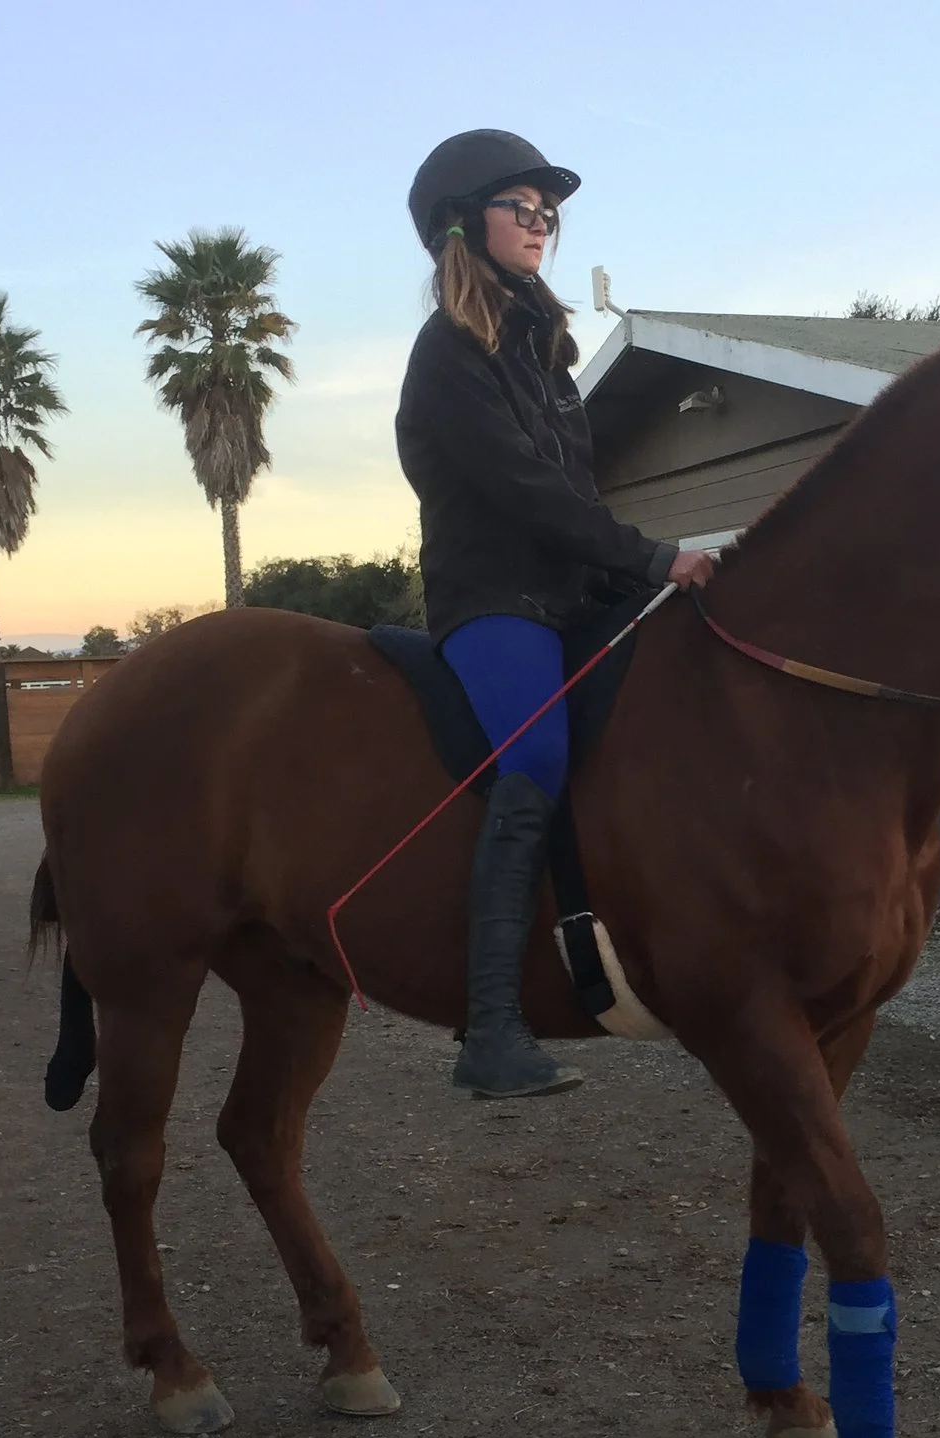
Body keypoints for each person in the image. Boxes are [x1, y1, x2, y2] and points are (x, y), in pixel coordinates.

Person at [397, 129, 715, 1099]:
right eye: (520, 209)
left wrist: (633, 580)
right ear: (463, 224)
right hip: (493, 597)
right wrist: (651, 556)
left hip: (572, 590)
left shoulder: (543, 352)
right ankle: (488, 1024)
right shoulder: (449, 354)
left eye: (550, 213)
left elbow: (573, 488)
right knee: (535, 756)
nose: (541, 225)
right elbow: (529, 493)